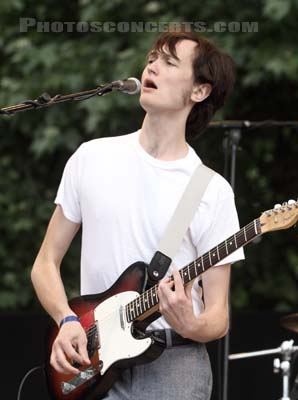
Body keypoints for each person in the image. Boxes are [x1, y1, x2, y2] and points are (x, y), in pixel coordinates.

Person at [30, 31, 243, 400]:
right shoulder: (91, 158)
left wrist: (190, 321)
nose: (152, 66)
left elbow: (218, 318)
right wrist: (65, 320)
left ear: (200, 91)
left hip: (175, 363)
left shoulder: (211, 190)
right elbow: (45, 263)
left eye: (169, 62)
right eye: (151, 58)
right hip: (91, 357)